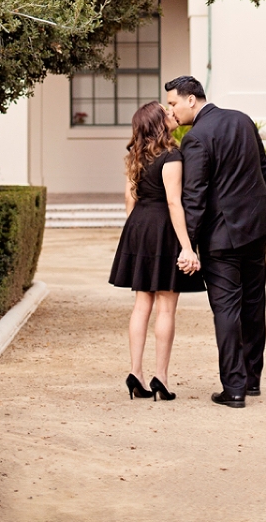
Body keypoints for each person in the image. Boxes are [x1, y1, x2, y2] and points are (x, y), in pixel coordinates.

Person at [166, 75, 266, 409]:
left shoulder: (196, 138)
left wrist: (188, 244)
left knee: (226, 310)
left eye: (173, 103)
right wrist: (261, 209)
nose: (172, 111)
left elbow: (195, 198)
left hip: (221, 237)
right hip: (256, 229)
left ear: (191, 99)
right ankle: (252, 379)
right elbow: (264, 169)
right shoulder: (242, 119)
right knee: (254, 302)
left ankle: (234, 389)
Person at [109, 100, 205, 402]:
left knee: (141, 305)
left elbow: (129, 198)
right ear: (160, 123)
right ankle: (160, 377)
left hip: (138, 227)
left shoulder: (135, 155)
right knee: (165, 306)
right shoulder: (171, 156)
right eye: (166, 113)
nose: (171, 114)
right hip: (164, 228)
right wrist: (188, 247)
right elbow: (174, 202)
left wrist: (135, 235)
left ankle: (135, 373)